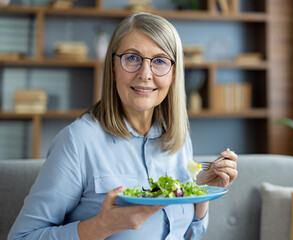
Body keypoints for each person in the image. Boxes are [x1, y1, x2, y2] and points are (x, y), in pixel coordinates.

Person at [8, 12, 238, 240]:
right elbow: (22, 237)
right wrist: (100, 227)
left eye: (159, 61)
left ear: (173, 73)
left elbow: (188, 235)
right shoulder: (78, 142)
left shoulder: (178, 137)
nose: (145, 74)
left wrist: (202, 195)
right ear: (113, 67)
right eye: (132, 58)